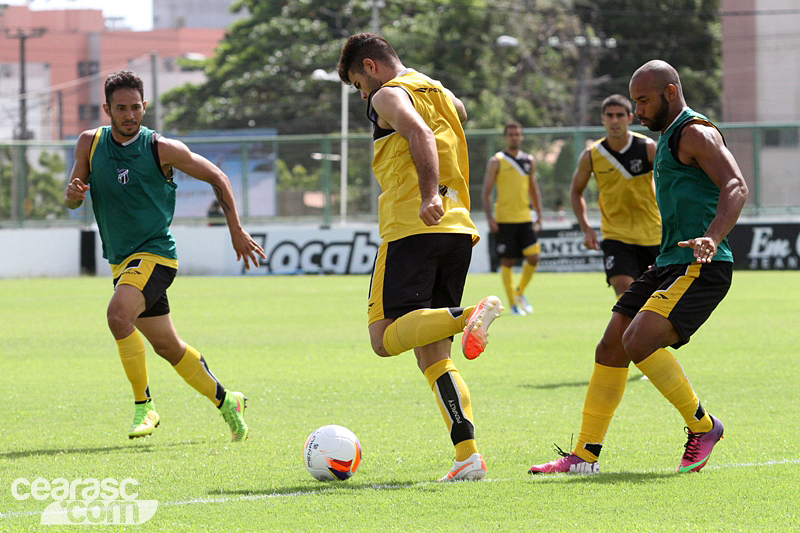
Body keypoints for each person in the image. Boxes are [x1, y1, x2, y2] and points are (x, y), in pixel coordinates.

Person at [529, 60, 748, 474]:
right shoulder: (665, 137)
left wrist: (713, 236)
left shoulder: (694, 132)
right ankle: (584, 457)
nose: (637, 111)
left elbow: (736, 184)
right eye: (633, 103)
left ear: (670, 92)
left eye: (643, 101)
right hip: (669, 262)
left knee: (638, 340)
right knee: (611, 345)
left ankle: (703, 426)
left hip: (702, 263)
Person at [64, 70, 266, 442]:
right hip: (122, 261)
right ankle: (227, 401)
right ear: (107, 109)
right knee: (167, 346)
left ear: (145, 107)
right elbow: (74, 196)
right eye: (121, 108)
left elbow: (218, 177)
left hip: (155, 255)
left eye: (136, 107)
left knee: (117, 315)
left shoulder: (160, 148)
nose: (129, 115)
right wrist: (74, 195)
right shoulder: (89, 144)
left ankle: (145, 406)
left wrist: (235, 229)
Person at [337, 33, 503, 481]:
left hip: (413, 225)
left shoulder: (388, 94)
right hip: (458, 228)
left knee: (383, 337)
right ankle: (467, 455)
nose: (362, 95)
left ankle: (469, 313)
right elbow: (458, 114)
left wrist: (429, 193)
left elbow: (418, 131)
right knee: (432, 354)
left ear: (370, 66)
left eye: (357, 84)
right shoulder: (438, 90)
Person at [570, 94, 661, 298]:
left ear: (630, 118)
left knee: (652, 297)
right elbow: (576, 192)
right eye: (609, 115)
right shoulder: (591, 155)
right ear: (602, 119)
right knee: (624, 288)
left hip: (651, 233)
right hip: (615, 235)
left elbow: (670, 184)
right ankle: (628, 329)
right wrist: (586, 229)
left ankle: (640, 331)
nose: (614, 120)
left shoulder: (647, 148)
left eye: (619, 115)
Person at [481, 121, 544, 315]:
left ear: (522, 136)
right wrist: (490, 218)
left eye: (517, 134)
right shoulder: (497, 161)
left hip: (524, 216)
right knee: (507, 261)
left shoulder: (529, 161)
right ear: (505, 137)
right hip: (504, 218)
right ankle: (513, 305)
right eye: (511, 134)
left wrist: (539, 213)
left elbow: (533, 188)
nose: (514, 137)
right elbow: (486, 191)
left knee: (533, 257)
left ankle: (519, 292)